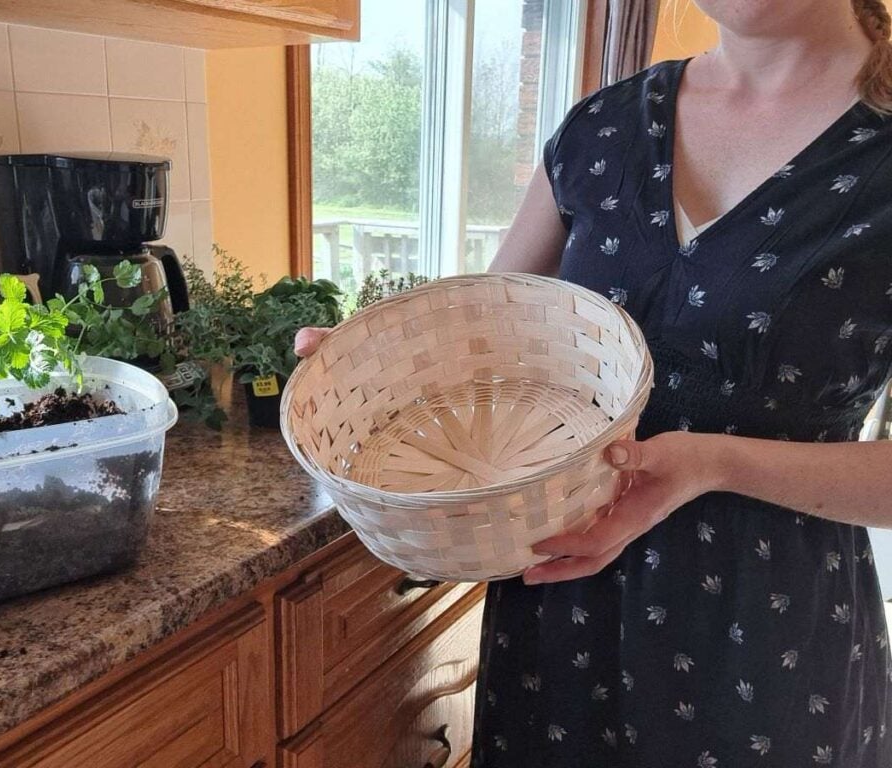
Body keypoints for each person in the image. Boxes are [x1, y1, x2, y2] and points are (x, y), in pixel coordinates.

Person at [295, 0, 892, 763]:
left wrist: (712, 462)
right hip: (563, 612)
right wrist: (371, 361)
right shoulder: (601, 127)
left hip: (763, 635)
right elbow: (485, 335)